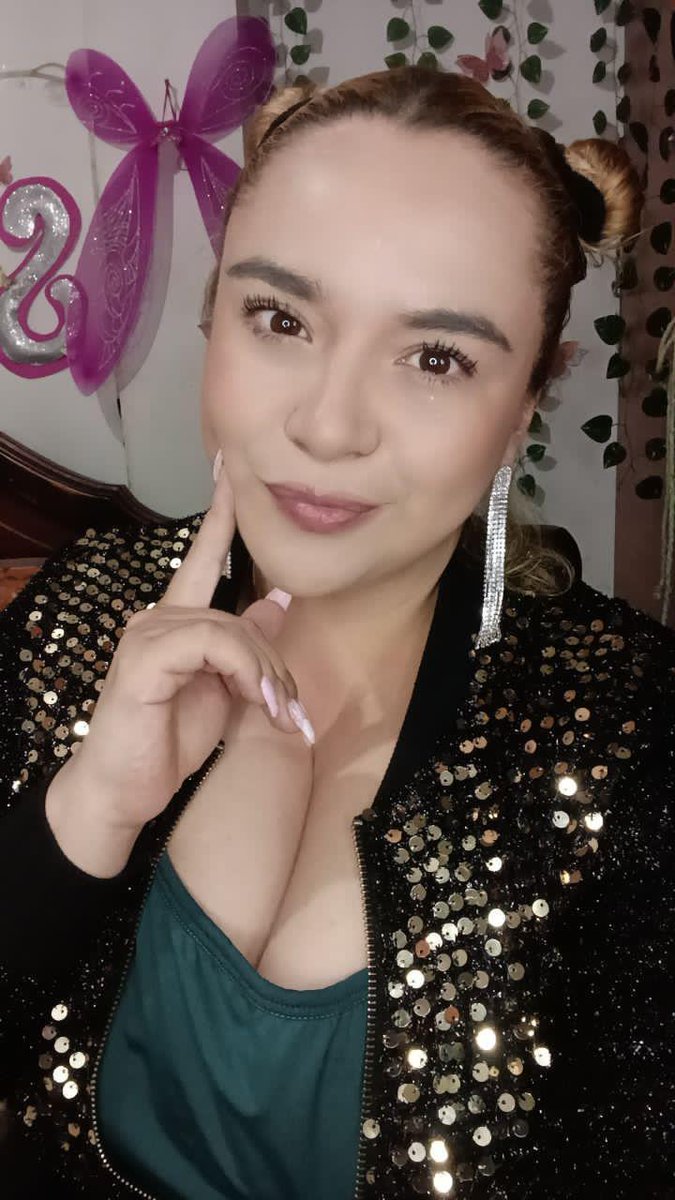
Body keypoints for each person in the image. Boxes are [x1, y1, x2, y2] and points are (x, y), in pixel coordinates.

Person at [0, 64, 673, 1200]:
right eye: (281, 318)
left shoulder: (627, 732)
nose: (326, 424)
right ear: (215, 317)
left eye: (436, 357)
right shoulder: (85, 607)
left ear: (526, 402)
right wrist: (90, 809)